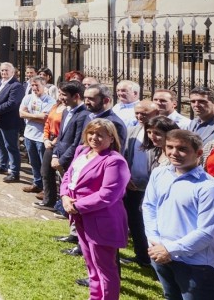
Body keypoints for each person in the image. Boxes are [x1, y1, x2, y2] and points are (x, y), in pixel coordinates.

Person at [143, 129, 214, 299]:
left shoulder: (210, 189)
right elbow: (149, 207)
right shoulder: (159, 173)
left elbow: (207, 233)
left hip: (195, 265)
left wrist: (169, 249)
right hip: (160, 255)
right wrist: (155, 241)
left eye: (182, 149)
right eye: (170, 147)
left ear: (199, 153)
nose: (174, 153)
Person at [60, 119, 130, 299]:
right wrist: (65, 196)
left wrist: (76, 206)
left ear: (111, 138)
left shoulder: (114, 161)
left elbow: (108, 194)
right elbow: (69, 176)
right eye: (91, 133)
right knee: (90, 263)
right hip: (80, 217)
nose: (94, 138)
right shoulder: (82, 151)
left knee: (105, 268)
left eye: (101, 135)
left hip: (102, 220)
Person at [121, 99, 160, 267]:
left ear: (156, 113)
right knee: (135, 222)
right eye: (137, 113)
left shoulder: (160, 133)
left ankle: (155, 259)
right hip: (132, 186)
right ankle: (141, 256)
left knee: (151, 225)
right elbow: (125, 156)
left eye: (144, 114)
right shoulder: (132, 131)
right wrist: (126, 178)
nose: (139, 116)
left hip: (152, 188)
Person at [0, 62, 26, 183]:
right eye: (2, 70)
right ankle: (3, 165)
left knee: (11, 146)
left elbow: (12, 103)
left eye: (6, 71)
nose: (4, 73)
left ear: (12, 72)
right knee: (0, 143)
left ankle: (14, 172)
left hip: (9, 121)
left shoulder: (16, 86)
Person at [19, 75, 55, 194]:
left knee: (44, 165)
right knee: (33, 163)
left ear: (43, 85)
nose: (34, 88)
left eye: (37, 85)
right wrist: (36, 116)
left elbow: (45, 118)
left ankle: (46, 188)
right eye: (32, 85)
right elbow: (21, 114)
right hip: (29, 135)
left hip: (41, 137)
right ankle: (37, 183)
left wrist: (29, 115)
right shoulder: (28, 97)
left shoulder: (50, 101)